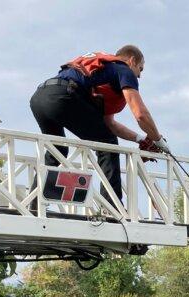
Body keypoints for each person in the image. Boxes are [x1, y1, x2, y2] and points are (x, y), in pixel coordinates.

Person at [29, 44, 168, 203]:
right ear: (132, 61)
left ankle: (33, 204)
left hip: (39, 97)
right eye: (140, 69)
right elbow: (141, 115)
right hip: (63, 97)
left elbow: (110, 125)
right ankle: (112, 207)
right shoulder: (123, 70)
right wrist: (157, 139)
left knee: (57, 150)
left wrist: (141, 139)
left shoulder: (103, 71)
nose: (139, 76)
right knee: (108, 145)